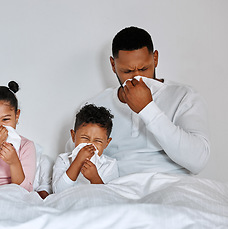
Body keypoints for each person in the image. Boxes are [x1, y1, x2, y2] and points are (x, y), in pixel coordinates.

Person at [84, 26, 210, 176]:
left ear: (155, 58)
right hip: (116, 189)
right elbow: (74, 158)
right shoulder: (96, 105)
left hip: (172, 186)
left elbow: (198, 161)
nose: (138, 78)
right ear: (113, 65)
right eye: (128, 71)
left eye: (144, 69)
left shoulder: (184, 96)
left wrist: (147, 109)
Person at [53, 104, 119, 194]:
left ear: (106, 143)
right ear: (73, 136)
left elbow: (110, 196)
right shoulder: (63, 160)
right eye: (85, 138)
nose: (90, 144)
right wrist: (78, 161)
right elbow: (58, 191)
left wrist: (94, 178)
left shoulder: (109, 165)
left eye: (98, 141)